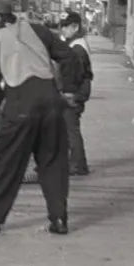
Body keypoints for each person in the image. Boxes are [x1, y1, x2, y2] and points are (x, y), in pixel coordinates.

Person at [0, 0, 79, 235]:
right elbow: (69, 56)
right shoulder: (38, 31)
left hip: (20, 105)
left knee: (8, 164)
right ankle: (59, 220)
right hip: (51, 103)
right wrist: (69, 90)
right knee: (53, 163)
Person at [58, 11, 93, 176]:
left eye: (66, 26)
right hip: (77, 93)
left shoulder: (77, 49)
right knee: (69, 128)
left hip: (74, 94)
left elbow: (74, 75)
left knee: (71, 129)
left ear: (75, 27)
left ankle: (79, 165)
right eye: (62, 26)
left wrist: (69, 94)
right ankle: (76, 163)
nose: (62, 30)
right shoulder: (76, 45)